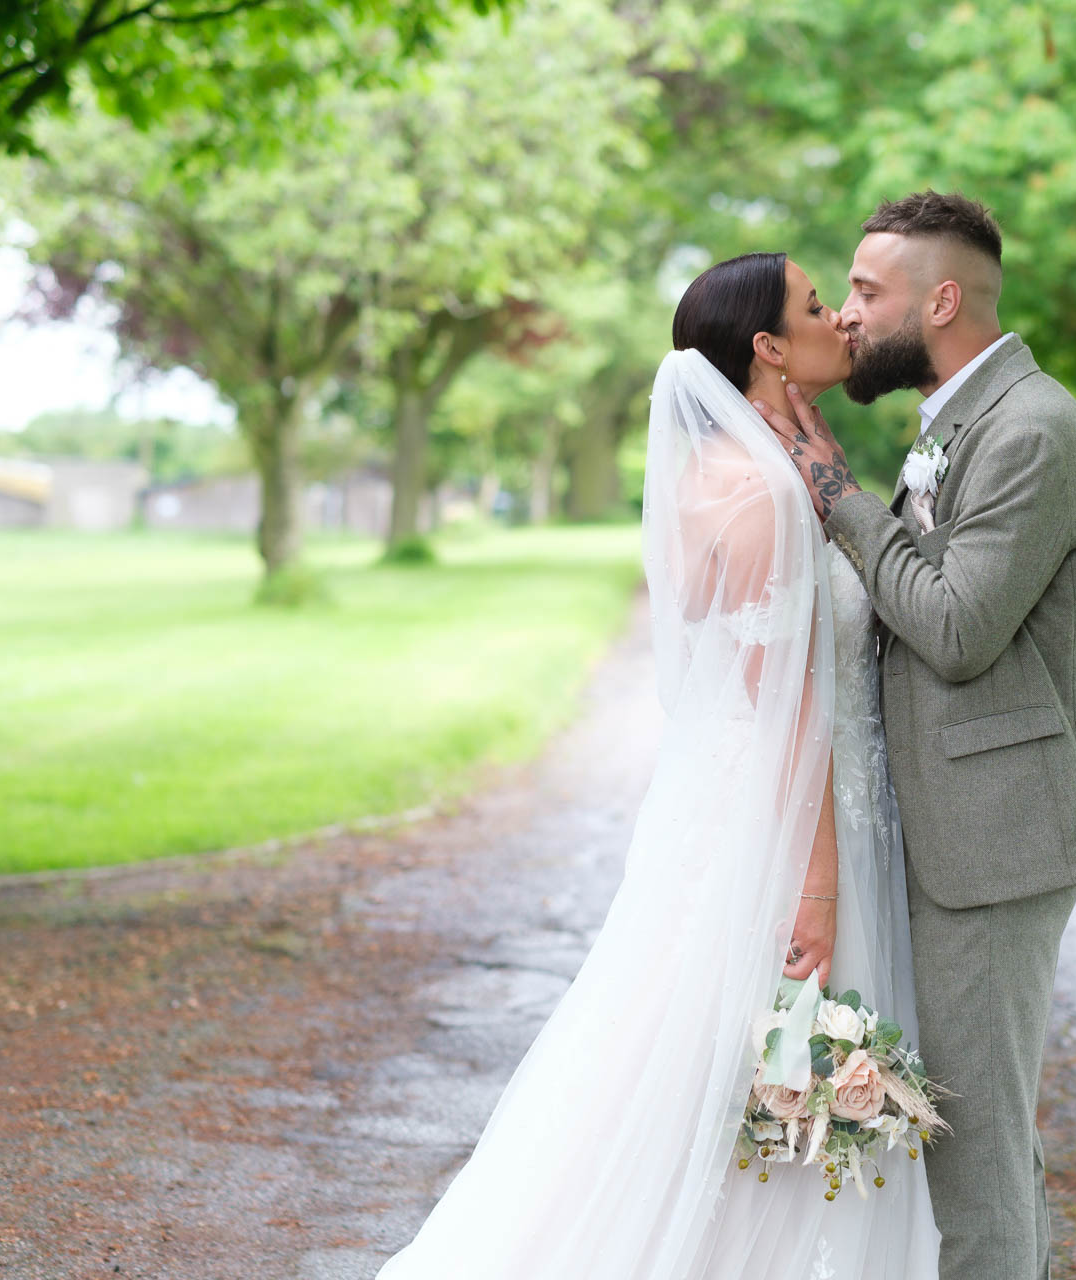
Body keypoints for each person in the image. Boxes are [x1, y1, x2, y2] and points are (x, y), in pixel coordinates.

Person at [375, 251, 939, 1278]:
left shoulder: (738, 472)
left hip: (741, 802)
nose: (838, 323)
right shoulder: (763, 493)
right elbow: (793, 704)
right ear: (768, 346)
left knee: (730, 1070)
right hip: (792, 818)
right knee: (752, 1070)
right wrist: (819, 881)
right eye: (817, 307)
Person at [753, 191, 1076, 1280]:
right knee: (973, 1140)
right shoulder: (958, 416)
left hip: (995, 837)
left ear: (943, 297)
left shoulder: (1032, 426)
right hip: (941, 823)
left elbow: (957, 627)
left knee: (976, 1149)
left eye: (865, 291)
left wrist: (838, 499)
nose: (851, 314)